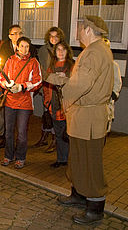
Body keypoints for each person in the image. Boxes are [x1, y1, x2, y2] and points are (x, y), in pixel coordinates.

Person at [47, 15, 113, 225]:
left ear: (88, 30)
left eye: (80, 27)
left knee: (89, 161)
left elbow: (81, 84)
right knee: (77, 158)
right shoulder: (94, 50)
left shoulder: (95, 52)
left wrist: (60, 83)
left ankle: (95, 207)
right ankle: (78, 194)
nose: (77, 31)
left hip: (89, 118)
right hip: (82, 116)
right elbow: (81, 80)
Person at [0, 37, 42, 169]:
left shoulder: (33, 62)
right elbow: (2, 77)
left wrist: (22, 86)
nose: (24, 49)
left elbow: (38, 81)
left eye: (27, 46)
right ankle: (8, 155)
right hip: (10, 102)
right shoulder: (10, 60)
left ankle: (20, 157)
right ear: (17, 47)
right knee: (8, 132)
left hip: (24, 102)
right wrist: (7, 85)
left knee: (22, 133)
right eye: (22, 46)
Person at [43, 41, 74, 168]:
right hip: (55, 103)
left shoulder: (72, 65)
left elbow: (77, 84)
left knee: (69, 133)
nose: (60, 52)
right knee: (58, 131)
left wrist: (66, 77)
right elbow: (47, 85)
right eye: (58, 50)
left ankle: (71, 159)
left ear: (67, 51)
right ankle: (61, 158)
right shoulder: (52, 65)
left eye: (63, 49)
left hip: (68, 103)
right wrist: (48, 101)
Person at [34, 27, 65, 152]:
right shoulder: (43, 50)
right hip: (46, 86)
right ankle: (44, 136)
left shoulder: (63, 50)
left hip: (57, 87)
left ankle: (55, 139)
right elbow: (40, 68)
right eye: (51, 36)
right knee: (46, 112)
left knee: (55, 114)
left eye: (56, 36)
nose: (53, 38)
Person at [0, 24, 23, 150]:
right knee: (8, 115)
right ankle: (7, 139)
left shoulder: (26, 46)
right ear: (9, 36)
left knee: (21, 118)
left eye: (19, 33)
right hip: (7, 86)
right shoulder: (4, 47)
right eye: (14, 33)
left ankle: (20, 141)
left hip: (21, 87)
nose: (17, 36)